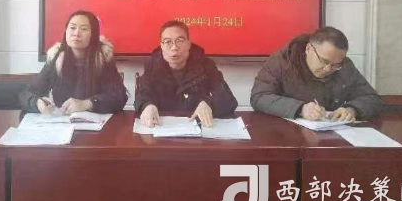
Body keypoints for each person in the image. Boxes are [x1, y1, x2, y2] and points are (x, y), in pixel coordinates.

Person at [250, 26, 383, 121]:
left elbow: (372, 98)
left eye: (335, 64)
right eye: (324, 61)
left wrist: (352, 110)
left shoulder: (345, 66)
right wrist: (300, 109)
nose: (328, 68)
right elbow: (259, 97)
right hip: (286, 134)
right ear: (308, 49)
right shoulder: (282, 61)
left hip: (330, 136)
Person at [19, 10, 128, 114]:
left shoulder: (102, 58)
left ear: (93, 34)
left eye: (84, 29)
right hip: (63, 121)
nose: (76, 33)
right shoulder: (57, 58)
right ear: (66, 31)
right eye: (72, 28)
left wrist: (87, 103)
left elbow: (119, 97)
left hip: (95, 123)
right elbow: (27, 92)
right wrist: (37, 102)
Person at [135, 20, 238, 128]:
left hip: (198, 128)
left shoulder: (206, 65)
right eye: (168, 41)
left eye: (180, 40)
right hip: (162, 129)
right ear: (161, 45)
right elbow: (142, 95)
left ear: (189, 44)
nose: (174, 47)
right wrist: (147, 105)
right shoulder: (152, 65)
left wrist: (209, 103)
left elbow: (229, 100)